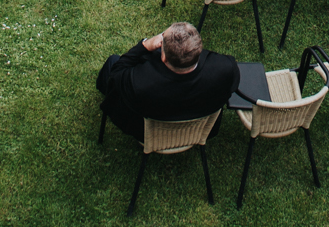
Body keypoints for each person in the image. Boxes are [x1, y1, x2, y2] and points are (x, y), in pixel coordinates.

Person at [95, 22, 239, 142]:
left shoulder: (140, 83)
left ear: (163, 57)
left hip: (150, 135)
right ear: (198, 51)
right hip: (199, 132)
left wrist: (144, 45)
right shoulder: (226, 68)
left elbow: (117, 72)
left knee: (113, 61)